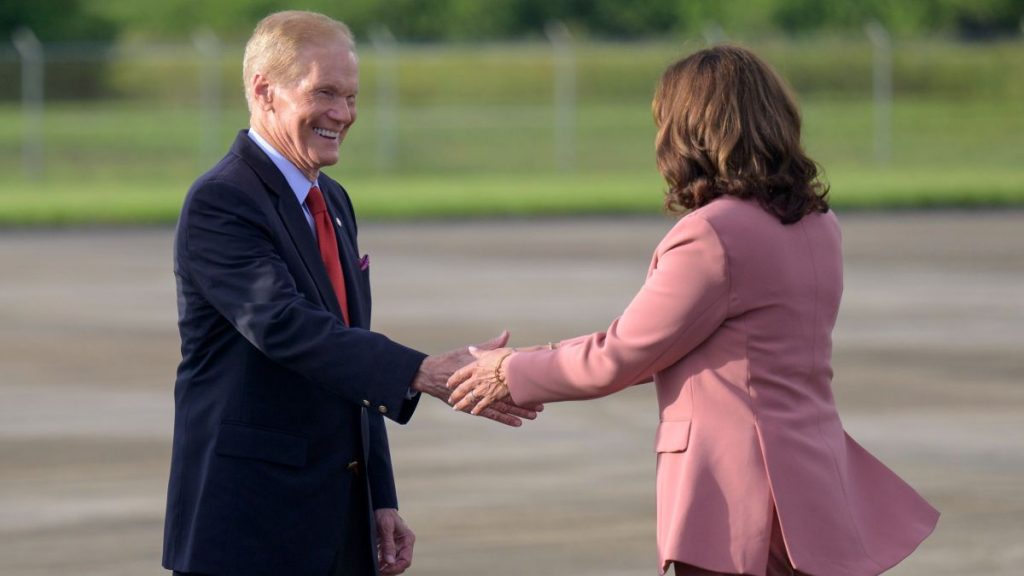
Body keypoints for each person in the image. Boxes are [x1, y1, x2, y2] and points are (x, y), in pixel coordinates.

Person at [448, 45, 939, 576]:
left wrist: (509, 369)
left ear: (690, 132)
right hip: (812, 488)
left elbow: (622, 355)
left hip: (738, 497)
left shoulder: (713, 234)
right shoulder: (818, 223)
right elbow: (667, 346)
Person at [162, 11, 538, 576]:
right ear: (265, 91)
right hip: (250, 527)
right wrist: (423, 371)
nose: (343, 114)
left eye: (352, 97)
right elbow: (285, 326)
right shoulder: (223, 201)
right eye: (325, 93)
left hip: (337, 521)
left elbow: (348, 351)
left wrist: (379, 497)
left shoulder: (332, 202)